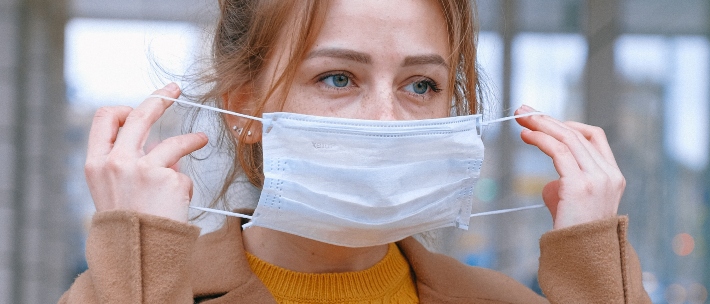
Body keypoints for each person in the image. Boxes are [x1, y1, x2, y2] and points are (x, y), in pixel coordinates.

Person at [60, 0, 651, 303]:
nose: (385, 120)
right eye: (338, 78)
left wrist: (595, 273)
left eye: (422, 85)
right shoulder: (138, 288)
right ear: (246, 111)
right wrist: (134, 253)